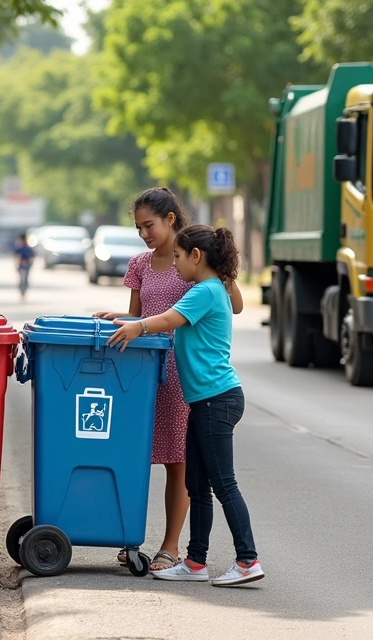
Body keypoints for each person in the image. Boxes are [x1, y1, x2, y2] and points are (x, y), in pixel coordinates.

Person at [95, 187, 240, 573]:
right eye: (139, 227)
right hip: (142, 376)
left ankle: (171, 546)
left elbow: (234, 305)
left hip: (181, 375)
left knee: (178, 462)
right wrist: (118, 319)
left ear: (171, 219)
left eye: (150, 225)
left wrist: (226, 274)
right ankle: (129, 536)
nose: (144, 233)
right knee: (133, 456)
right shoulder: (141, 264)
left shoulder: (195, 260)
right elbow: (137, 319)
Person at [13, 232, 35, 301]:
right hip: (22, 266)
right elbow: (16, 257)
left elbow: (31, 257)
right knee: (22, 280)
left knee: (24, 280)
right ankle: (22, 293)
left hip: (26, 266)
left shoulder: (27, 248)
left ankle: (23, 293)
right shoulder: (21, 248)